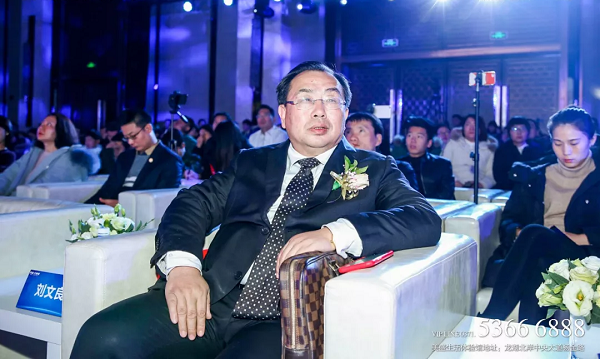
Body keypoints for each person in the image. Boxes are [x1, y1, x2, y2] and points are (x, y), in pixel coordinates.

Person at [72, 61, 442, 359]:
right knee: (102, 336)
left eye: (331, 101)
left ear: (345, 113)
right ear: (284, 113)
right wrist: (184, 268)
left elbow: (423, 218)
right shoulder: (251, 161)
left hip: (287, 316)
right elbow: (192, 202)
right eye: (305, 100)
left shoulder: (375, 168)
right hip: (211, 296)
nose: (319, 111)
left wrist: (335, 233)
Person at [479, 106, 600, 325]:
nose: (566, 151)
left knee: (535, 234)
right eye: (558, 143)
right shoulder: (534, 176)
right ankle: (537, 337)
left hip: (585, 256)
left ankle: (489, 320)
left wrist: (576, 238)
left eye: (574, 143)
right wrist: (518, 232)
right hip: (537, 250)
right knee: (540, 259)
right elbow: (508, 220)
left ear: (592, 139)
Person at [86, 109, 184, 207]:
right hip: (108, 210)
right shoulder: (125, 157)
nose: (130, 142)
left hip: (141, 213)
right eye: (126, 138)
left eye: (133, 136)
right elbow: (107, 189)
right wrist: (82, 208)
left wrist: (122, 205)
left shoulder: (170, 160)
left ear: (148, 128)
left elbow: (162, 200)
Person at [0, 113, 93, 196]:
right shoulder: (32, 154)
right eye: (41, 124)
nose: (41, 128)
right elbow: (8, 176)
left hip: (36, 204)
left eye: (49, 125)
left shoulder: (70, 158)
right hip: (14, 201)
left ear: (61, 130)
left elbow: (49, 188)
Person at [344, 112, 419, 191]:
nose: (352, 138)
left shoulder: (397, 169)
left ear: (378, 139)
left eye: (361, 131)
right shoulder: (338, 167)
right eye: (348, 132)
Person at [400, 117, 455, 200]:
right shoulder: (396, 165)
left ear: (429, 143)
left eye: (419, 136)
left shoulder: (442, 165)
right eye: (409, 135)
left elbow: (446, 195)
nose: (413, 140)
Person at [442, 114, 497, 188]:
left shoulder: (489, 148)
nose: (471, 128)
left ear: (480, 129)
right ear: (463, 128)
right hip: (454, 187)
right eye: (468, 124)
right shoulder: (452, 144)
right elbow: (444, 167)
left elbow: (491, 175)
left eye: (475, 125)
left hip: (479, 190)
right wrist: (455, 182)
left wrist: (481, 184)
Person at [492, 116, 544, 190]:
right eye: (515, 129)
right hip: (508, 189)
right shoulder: (502, 150)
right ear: (509, 132)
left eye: (523, 129)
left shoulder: (537, 149)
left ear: (528, 131)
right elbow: (498, 174)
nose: (519, 132)